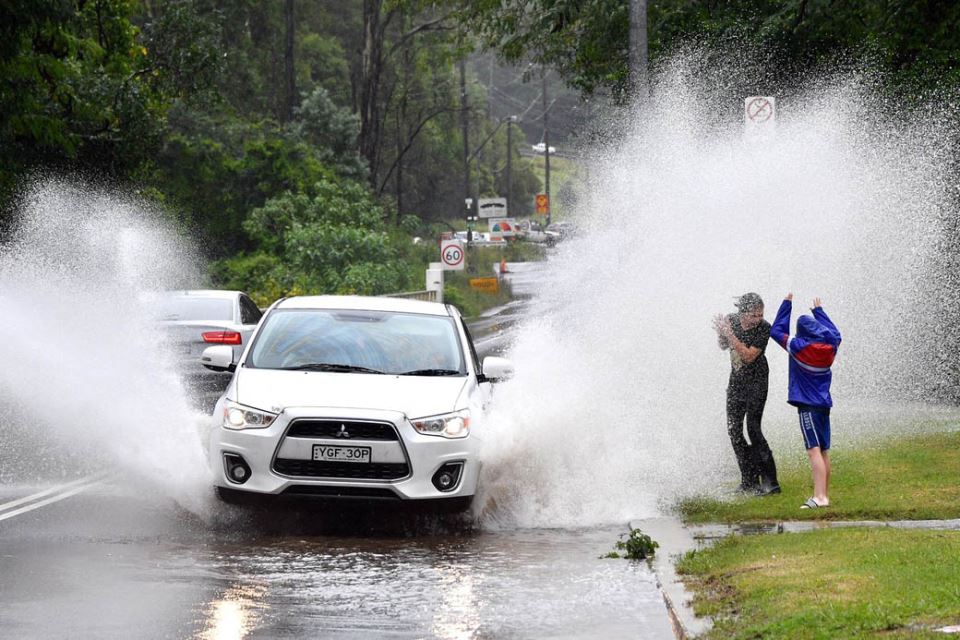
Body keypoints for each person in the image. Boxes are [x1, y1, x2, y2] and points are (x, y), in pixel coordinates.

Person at [770, 294, 842, 509]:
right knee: (823, 451)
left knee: (813, 450)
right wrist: (819, 312)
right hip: (823, 404)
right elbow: (835, 334)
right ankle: (824, 496)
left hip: (807, 406)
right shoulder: (831, 348)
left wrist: (786, 304)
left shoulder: (799, 347)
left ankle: (819, 497)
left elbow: (776, 332)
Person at [713, 293, 781, 496]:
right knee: (734, 430)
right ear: (742, 313)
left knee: (753, 429)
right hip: (737, 381)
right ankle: (749, 480)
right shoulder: (731, 320)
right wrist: (721, 333)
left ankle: (771, 483)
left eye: (760, 314)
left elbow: (749, 356)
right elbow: (723, 346)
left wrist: (730, 334)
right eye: (754, 315)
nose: (757, 319)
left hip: (757, 382)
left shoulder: (764, 328)